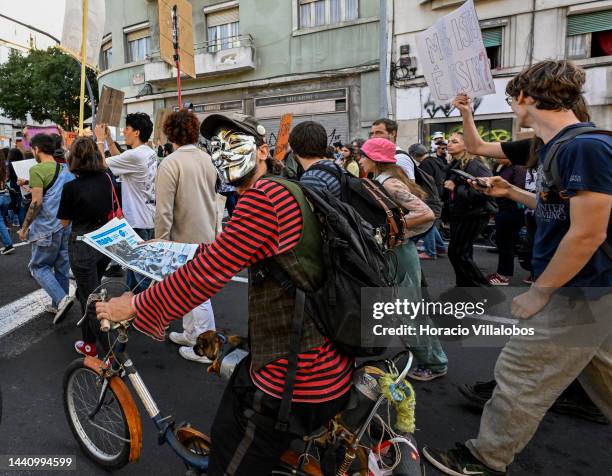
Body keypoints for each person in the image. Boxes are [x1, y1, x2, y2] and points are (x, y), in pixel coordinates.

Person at [96, 113, 353, 475]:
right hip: (323, 357)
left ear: (263, 151)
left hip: (297, 376)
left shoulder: (262, 200)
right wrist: (177, 254)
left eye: (234, 142)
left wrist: (134, 304)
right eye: (216, 146)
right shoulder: (286, 187)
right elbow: (221, 254)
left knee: (229, 457)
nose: (223, 153)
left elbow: (208, 273)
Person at [423, 60, 612, 476]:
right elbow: (553, 207)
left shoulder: (585, 146)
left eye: (512, 98)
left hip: (580, 290)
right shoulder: (545, 145)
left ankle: (484, 459)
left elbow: (587, 234)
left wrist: (540, 291)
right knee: (604, 377)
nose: (512, 106)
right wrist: (510, 190)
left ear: (525, 98)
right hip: (592, 290)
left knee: (520, 374)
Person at [359, 138, 448, 380]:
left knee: (407, 313)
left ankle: (433, 364)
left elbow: (425, 213)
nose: (360, 160)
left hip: (399, 254)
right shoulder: (384, 179)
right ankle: (433, 359)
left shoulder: (389, 183)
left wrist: (390, 230)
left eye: (363, 156)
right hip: (398, 252)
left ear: (375, 160)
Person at [155, 109, 219, 363]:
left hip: (183, 238)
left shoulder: (170, 163)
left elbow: (163, 210)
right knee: (192, 291)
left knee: (198, 293)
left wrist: (160, 241)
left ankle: (208, 348)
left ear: (170, 132)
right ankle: (192, 334)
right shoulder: (207, 159)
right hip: (207, 232)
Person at [57, 137, 116, 357]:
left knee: (91, 299)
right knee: (89, 291)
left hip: (82, 244)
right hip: (104, 242)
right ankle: (89, 341)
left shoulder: (71, 187)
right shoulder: (107, 179)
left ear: (74, 158)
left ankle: (110, 350)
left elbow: (64, 222)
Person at [95, 113, 157, 293]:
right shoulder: (148, 152)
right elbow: (121, 159)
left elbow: (100, 165)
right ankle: (132, 310)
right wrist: (109, 139)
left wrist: (100, 141)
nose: (124, 131)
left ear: (136, 132)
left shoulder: (135, 156)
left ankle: (152, 314)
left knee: (142, 276)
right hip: (147, 218)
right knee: (133, 272)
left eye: (127, 128)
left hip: (137, 222)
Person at [18, 133, 75, 323]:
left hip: (46, 228)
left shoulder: (37, 169)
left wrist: (24, 227)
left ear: (37, 149)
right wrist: (29, 184)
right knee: (61, 266)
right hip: (65, 225)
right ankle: (58, 303)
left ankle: (61, 299)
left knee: (38, 266)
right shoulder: (65, 168)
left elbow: (36, 202)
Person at [443, 133, 495, 287]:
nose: (449, 144)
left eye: (454, 141)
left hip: (474, 214)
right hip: (461, 214)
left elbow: (485, 190)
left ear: (466, 145)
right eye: (449, 141)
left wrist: (456, 188)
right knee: (460, 253)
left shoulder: (475, 164)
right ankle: (464, 287)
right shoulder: (456, 163)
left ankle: (483, 291)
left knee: (458, 253)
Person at [487, 159, 527, 285]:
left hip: (513, 209)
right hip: (502, 209)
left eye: (498, 155)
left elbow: (518, 189)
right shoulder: (501, 167)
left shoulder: (518, 167)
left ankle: (503, 275)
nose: (494, 158)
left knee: (506, 242)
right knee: (503, 242)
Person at [409, 143, 447, 260]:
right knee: (431, 223)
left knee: (427, 223)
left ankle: (430, 252)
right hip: (439, 196)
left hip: (429, 198)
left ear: (414, 155)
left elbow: (422, 184)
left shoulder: (425, 165)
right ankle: (440, 247)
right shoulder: (436, 161)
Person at [0, 150, 15, 255]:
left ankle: (8, 244)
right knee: (2, 219)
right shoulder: (5, 167)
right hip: (5, 196)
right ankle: (6, 239)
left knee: (0, 221)